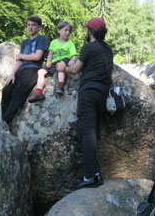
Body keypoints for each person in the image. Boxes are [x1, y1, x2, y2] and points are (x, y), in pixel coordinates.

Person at [56, 18, 113, 190]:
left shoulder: (88, 47)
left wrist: (62, 68)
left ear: (90, 32)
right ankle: (95, 174)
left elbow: (74, 69)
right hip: (103, 95)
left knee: (86, 133)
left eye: (87, 30)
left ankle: (89, 177)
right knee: (91, 133)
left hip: (89, 93)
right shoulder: (107, 49)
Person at [1, 15, 47, 124]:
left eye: (33, 25)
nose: (30, 27)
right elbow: (19, 60)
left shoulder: (41, 39)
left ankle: (6, 121)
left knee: (18, 93)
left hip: (32, 69)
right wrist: (12, 74)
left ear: (39, 27)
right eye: (28, 25)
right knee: (6, 91)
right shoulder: (24, 42)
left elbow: (37, 56)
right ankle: (3, 120)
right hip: (21, 70)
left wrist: (22, 56)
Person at [28, 21, 77, 102]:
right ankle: (38, 92)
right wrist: (48, 61)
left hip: (64, 60)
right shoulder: (54, 42)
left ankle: (60, 86)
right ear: (58, 31)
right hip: (54, 62)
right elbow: (50, 53)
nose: (68, 32)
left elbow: (74, 55)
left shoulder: (70, 44)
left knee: (60, 69)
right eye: (66, 30)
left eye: (69, 31)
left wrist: (72, 60)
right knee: (40, 72)